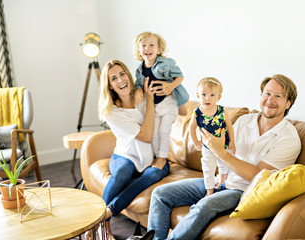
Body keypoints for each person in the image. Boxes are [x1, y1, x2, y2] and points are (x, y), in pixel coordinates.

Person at [147, 74, 302, 240]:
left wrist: (220, 151)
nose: (270, 100)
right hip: (221, 181)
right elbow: (223, 146)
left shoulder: (289, 139)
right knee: (160, 194)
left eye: (278, 96)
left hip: (243, 192)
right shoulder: (244, 121)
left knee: (204, 205)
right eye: (267, 93)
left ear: (288, 103)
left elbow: (258, 176)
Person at [85, 60, 170, 240]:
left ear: (128, 76)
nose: (120, 80)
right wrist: (149, 101)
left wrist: (149, 97)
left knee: (153, 174)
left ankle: (106, 214)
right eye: (114, 78)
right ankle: (101, 226)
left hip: (153, 156)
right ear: (109, 85)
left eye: (122, 74)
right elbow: (146, 136)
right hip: (125, 155)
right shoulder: (111, 111)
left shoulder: (142, 94)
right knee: (122, 173)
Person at [133, 31, 189, 165]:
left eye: (152, 45)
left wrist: (171, 86)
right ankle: (157, 156)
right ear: (139, 51)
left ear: (159, 50)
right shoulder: (139, 70)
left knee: (164, 131)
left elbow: (179, 76)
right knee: (154, 133)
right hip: (154, 106)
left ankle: (162, 157)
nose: (147, 48)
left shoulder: (167, 64)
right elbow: (138, 84)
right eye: (144, 45)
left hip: (168, 103)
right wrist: (138, 91)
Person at [188, 77, 236, 197]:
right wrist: (196, 143)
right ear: (198, 96)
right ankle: (209, 190)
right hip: (207, 146)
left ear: (219, 97)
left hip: (223, 144)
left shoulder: (222, 111)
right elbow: (191, 128)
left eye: (212, 95)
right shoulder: (197, 113)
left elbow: (229, 126)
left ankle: (222, 180)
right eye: (203, 94)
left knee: (224, 164)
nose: (207, 98)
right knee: (208, 168)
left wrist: (232, 142)